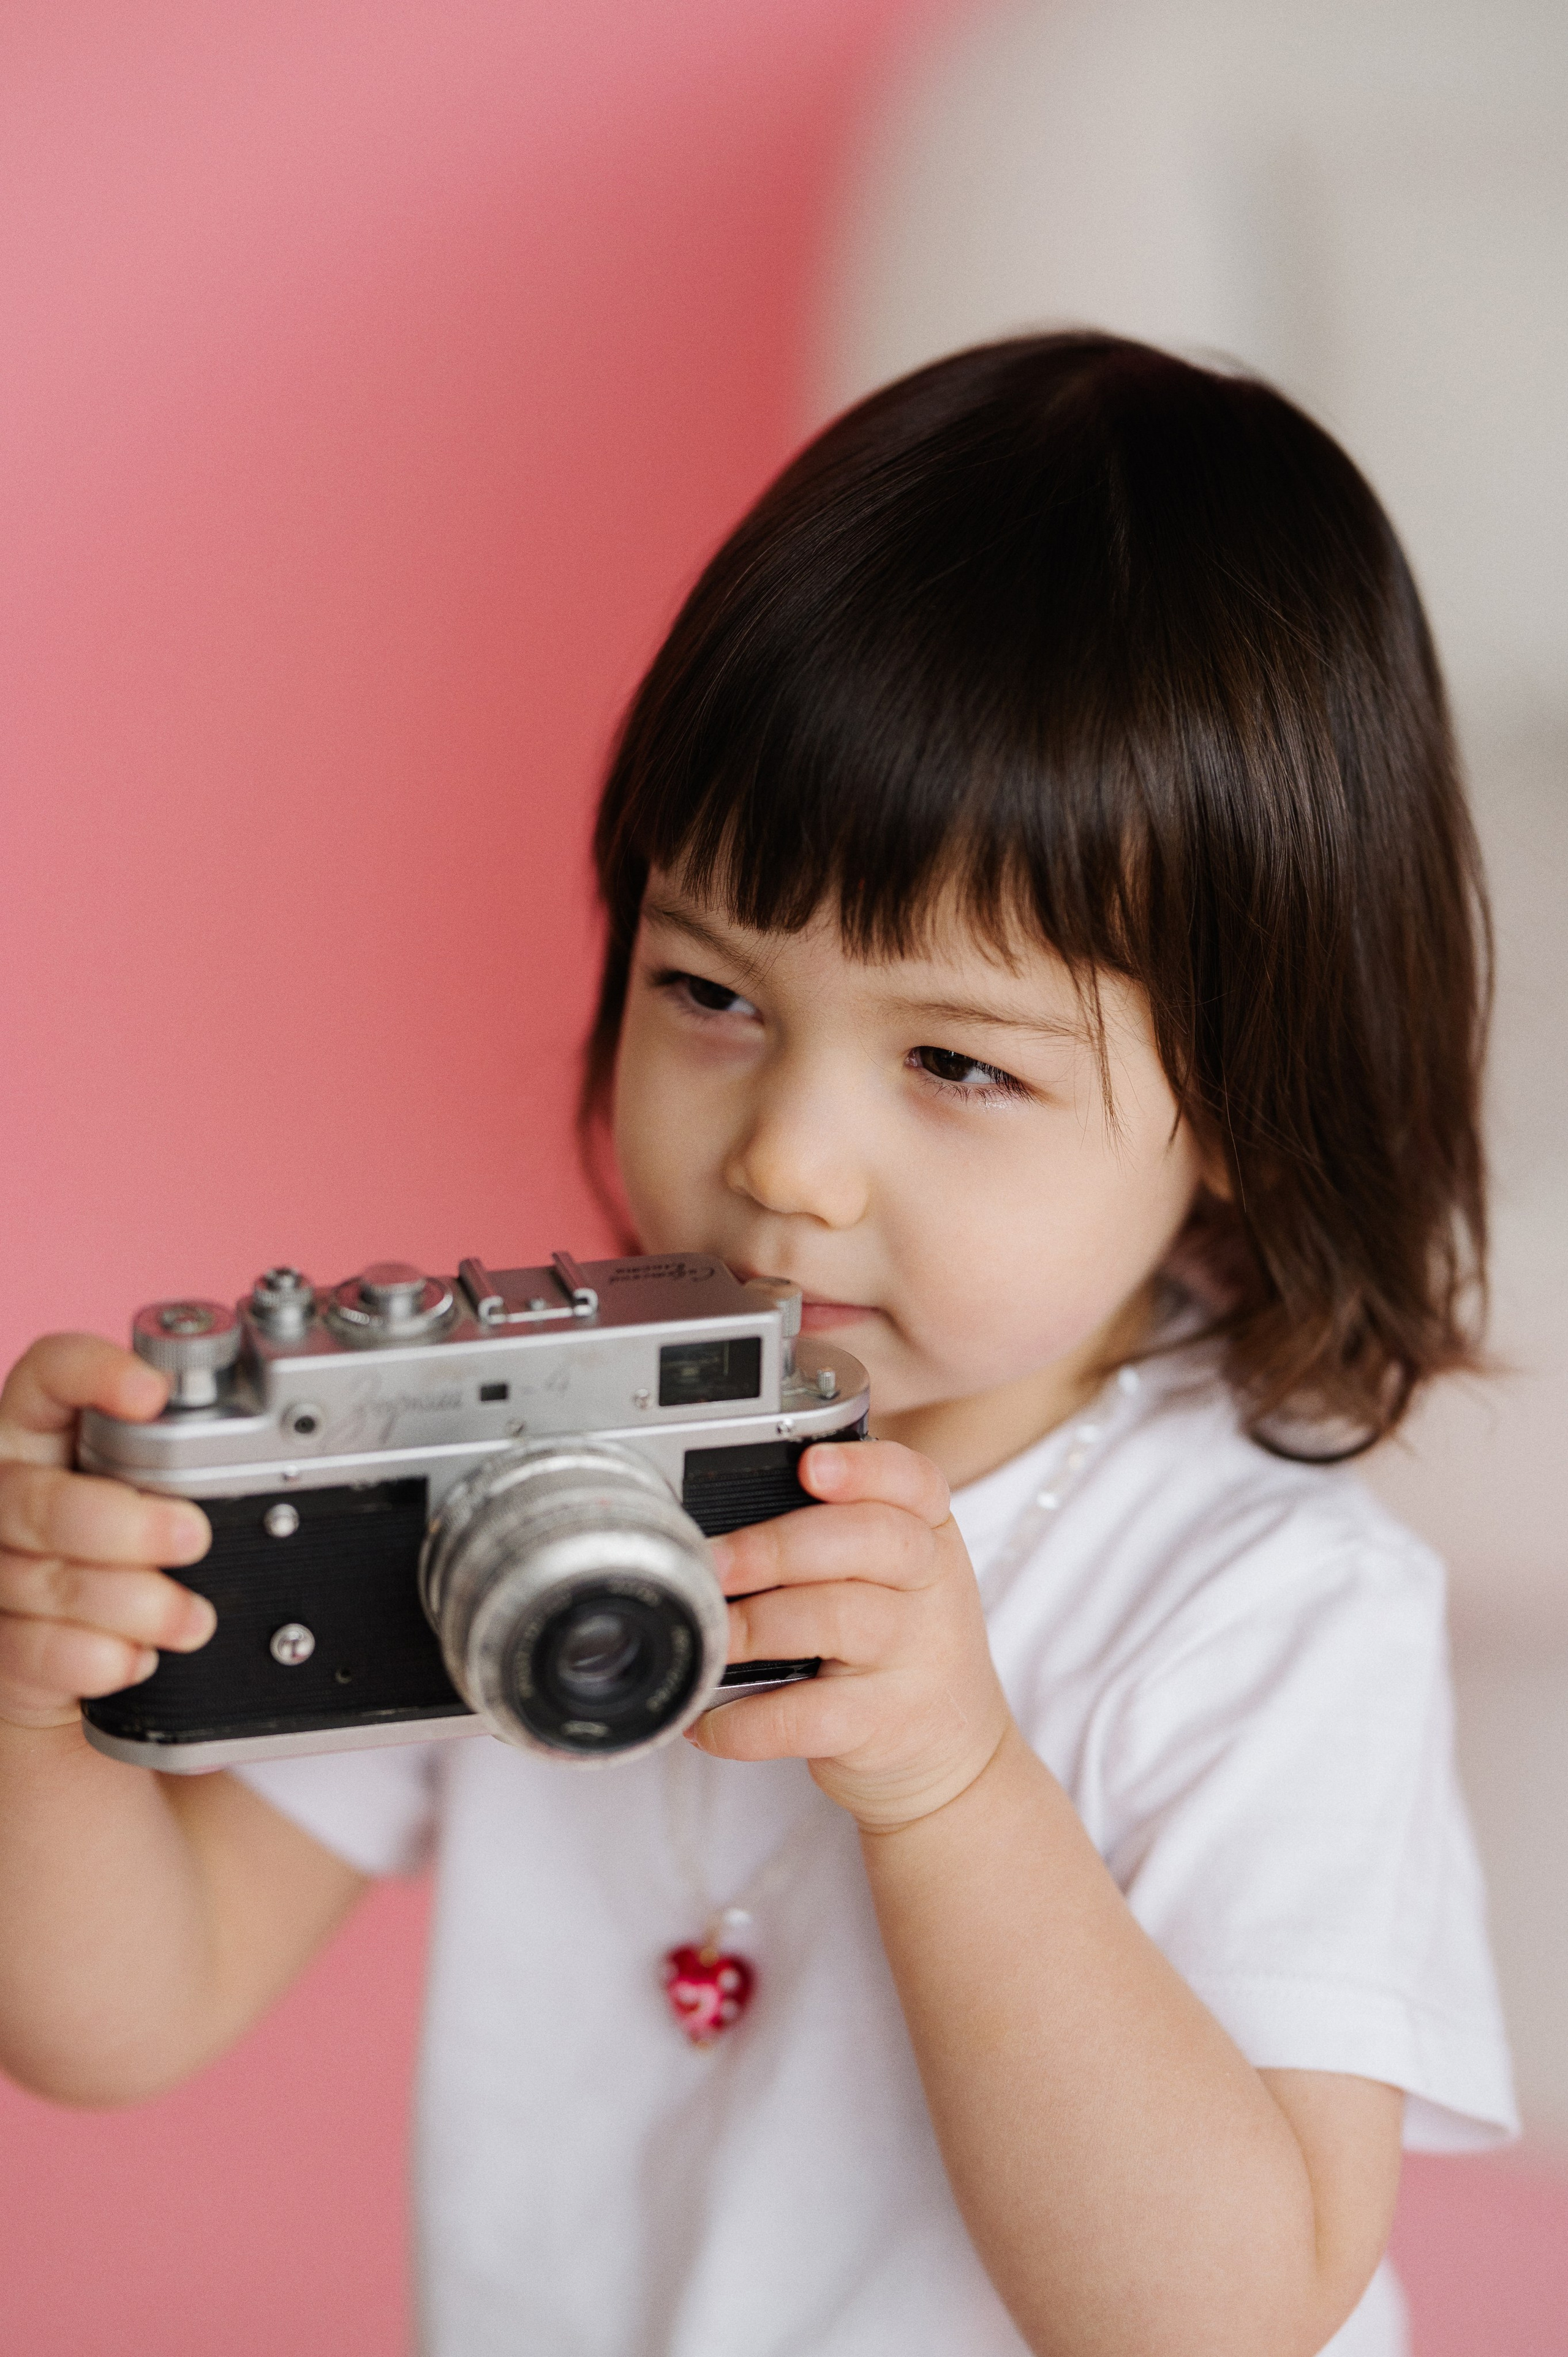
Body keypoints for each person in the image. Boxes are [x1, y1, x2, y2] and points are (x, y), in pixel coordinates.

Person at [0, 333, 1515, 2357]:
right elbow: (125, 2011)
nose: (786, 1159)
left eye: (958, 1062)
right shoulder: (516, 1471)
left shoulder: (1261, 1605)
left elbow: (1222, 2315)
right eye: (710, 991)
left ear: (1241, 1103)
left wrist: (953, 1784)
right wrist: (37, 1690)